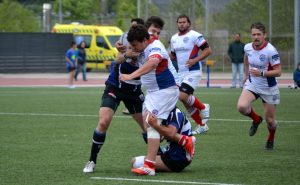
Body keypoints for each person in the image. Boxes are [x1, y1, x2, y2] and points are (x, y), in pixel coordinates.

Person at [82, 19, 147, 173]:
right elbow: (116, 60)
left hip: (134, 91)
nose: (131, 31)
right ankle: (91, 160)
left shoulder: (149, 45)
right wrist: (126, 55)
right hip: (115, 86)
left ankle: (158, 156)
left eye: (135, 27)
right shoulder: (124, 38)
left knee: (147, 126)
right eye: (130, 27)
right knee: (104, 122)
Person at [119, 24, 179, 176]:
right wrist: (126, 53)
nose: (134, 48)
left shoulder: (155, 46)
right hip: (153, 92)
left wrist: (130, 76)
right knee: (148, 125)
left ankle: (149, 166)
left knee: (152, 124)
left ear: (145, 40)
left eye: (135, 45)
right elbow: (122, 59)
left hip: (165, 90)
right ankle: (182, 140)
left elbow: (152, 63)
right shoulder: (141, 47)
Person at [237, 22, 281, 150]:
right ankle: (256, 119)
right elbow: (246, 59)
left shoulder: (271, 51)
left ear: (264, 35)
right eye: (253, 34)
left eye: (258, 34)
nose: (255, 37)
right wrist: (246, 75)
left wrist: (262, 73)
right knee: (241, 107)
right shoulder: (247, 47)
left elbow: (278, 72)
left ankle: (271, 138)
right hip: (253, 84)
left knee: (270, 121)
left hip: (269, 88)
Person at [169, 15, 212, 135]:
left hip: (193, 71)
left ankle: (203, 107)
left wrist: (195, 60)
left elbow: (208, 50)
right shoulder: (173, 38)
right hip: (180, 73)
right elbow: (173, 55)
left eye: (184, 22)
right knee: (185, 101)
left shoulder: (195, 35)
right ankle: (202, 125)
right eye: (179, 22)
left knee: (182, 96)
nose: (182, 24)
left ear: (189, 24)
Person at [131, 106, 196, 173]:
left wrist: (155, 126)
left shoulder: (175, 113)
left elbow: (171, 133)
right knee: (152, 132)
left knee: (135, 162)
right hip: (176, 154)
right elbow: (161, 138)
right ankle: (183, 141)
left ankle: (186, 141)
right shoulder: (165, 112)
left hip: (176, 158)